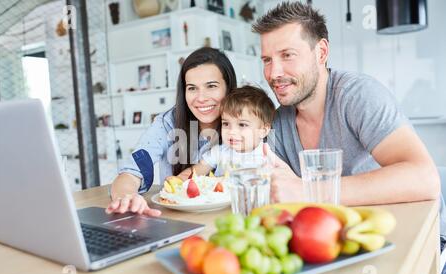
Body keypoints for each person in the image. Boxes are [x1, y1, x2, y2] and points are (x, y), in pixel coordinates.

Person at [251, 1, 440, 205]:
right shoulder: (277, 123)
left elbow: (425, 179)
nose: (273, 73)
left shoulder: (357, 95)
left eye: (287, 55)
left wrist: (308, 190)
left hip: (419, 230)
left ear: (321, 52)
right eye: (267, 60)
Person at [106, 47, 237, 215]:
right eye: (192, 88)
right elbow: (132, 173)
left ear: (228, 87)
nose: (201, 98)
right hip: (178, 222)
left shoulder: (248, 122)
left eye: (211, 86)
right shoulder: (166, 124)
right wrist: (126, 197)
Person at [172, 85, 275, 179]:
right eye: (226, 124)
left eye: (242, 125)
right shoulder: (219, 152)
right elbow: (195, 171)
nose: (232, 132)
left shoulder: (269, 155)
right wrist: (179, 179)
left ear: (263, 130)